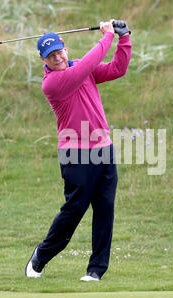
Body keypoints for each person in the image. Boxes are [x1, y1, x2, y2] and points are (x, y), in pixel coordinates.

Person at [25, 20, 132, 281]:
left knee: (105, 209)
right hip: (76, 154)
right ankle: (41, 255)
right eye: (51, 55)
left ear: (66, 49)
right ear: (43, 60)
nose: (58, 57)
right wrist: (107, 37)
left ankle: (96, 271)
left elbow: (118, 68)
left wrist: (124, 38)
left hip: (103, 149)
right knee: (74, 211)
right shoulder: (52, 83)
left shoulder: (81, 69)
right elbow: (86, 65)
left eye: (59, 51)